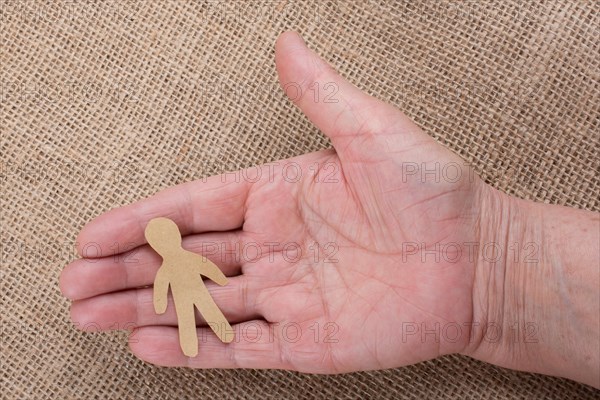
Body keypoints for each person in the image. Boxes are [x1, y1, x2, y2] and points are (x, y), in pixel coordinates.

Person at [59, 32, 599, 388]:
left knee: (210, 313)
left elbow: (184, 277)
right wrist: (489, 273)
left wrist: (485, 263)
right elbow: (176, 281)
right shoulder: (176, 260)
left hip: (197, 288)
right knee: (208, 314)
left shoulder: (179, 259)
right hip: (195, 288)